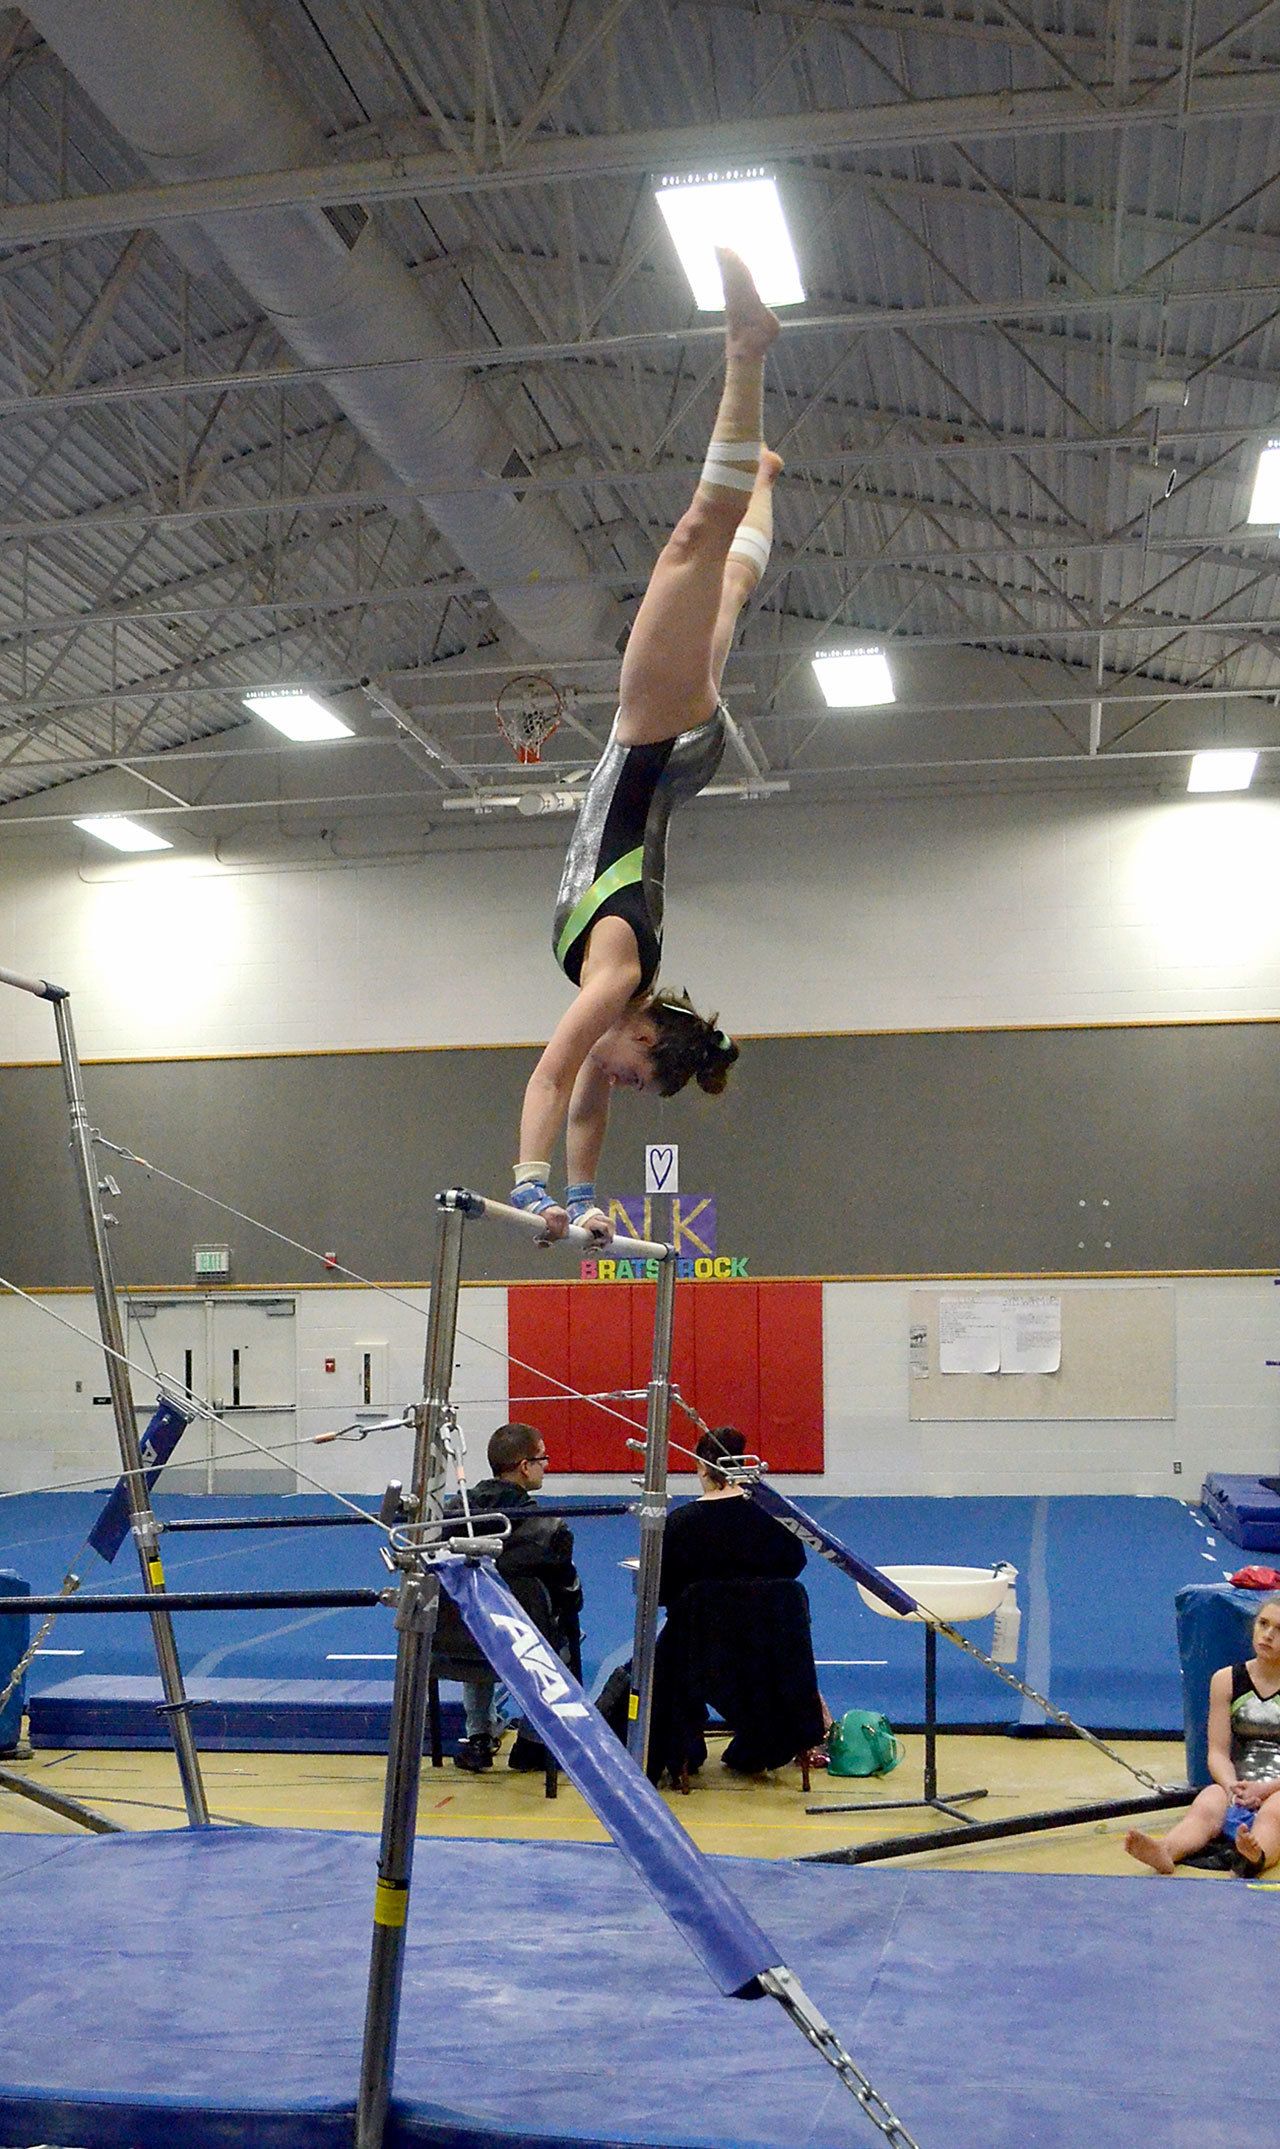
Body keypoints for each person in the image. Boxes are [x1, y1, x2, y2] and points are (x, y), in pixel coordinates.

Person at [510, 248, 782, 1245]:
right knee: (689, 547)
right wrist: (531, 1184)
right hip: (656, 737)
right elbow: (552, 1075)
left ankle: (763, 477)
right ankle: (745, 353)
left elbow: (584, 1097)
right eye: (630, 1066)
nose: (612, 1076)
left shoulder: (615, 992)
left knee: (727, 592)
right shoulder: (613, 976)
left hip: (680, 756)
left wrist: (586, 1200)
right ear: (644, 1028)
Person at [648, 1426, 825, 1783]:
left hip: (702, 1648)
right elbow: (794, 1568)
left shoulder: (681, 1524)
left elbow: (663, 1591)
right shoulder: (773, 1516)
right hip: (768, 1647)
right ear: (743, 1465)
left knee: (661, 1657)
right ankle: (767, 1740)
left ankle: (681, 1749)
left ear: (700, 1468)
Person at [446, 1421, 582, 1774]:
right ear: (525, 1466)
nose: (547, 1465)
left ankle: (478, 1734)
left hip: (458, 1642)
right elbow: (571, 1596)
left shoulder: (448, 1518)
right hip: (521, 1643)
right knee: (566, 1637)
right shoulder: (547, 1528)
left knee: (478, 1621)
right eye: (543, 1458)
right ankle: (533, 1742)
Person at [1126, 1593, 1280, 1877]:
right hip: (1242, 1786)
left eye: (1279, 1630)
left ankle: (1255, 1857)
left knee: (1275, 1811)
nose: (1268, 1635)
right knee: (1209, 1799)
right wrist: (1232, 1786)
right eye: (1263, 1624)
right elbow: (1218, 1752)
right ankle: (1167, 1850)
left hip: (1277, 1790)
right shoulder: (1226, 1680)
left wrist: (1265, 1789)